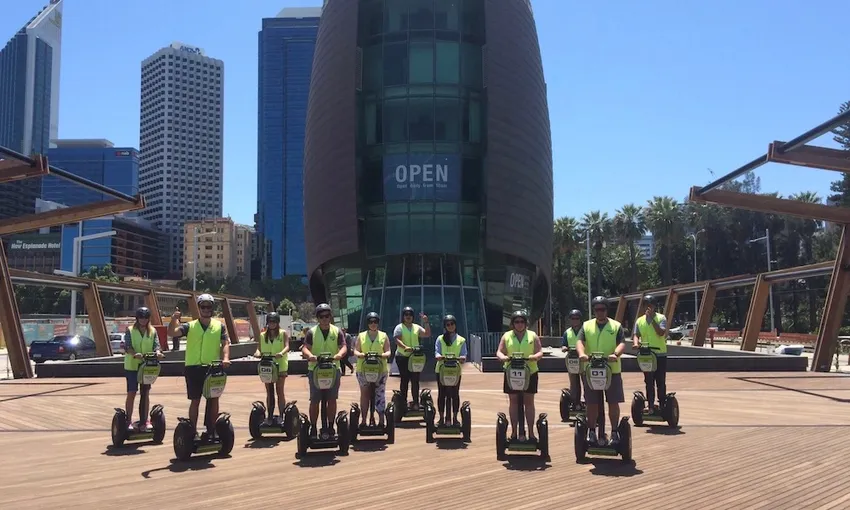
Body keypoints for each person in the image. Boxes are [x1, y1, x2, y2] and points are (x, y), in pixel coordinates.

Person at [168, 294, 231, 440]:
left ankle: (212, 430)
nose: (206, 309)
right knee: (195, 400)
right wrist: (173, 320)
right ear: (199, 308)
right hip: (193, 367)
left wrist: (226, 358)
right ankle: (193, 432)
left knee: (214, 399)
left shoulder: (219, 326)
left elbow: (225, 343)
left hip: (213, 367)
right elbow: (172, 333)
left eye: (209, 306)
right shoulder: (190, 326)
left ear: (212, 308)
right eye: (203, 306)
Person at [577, 296, 626, 446]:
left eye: (602, 309)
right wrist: (582, 354)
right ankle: (592, 431)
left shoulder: (616, 326)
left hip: (612, 369)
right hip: (591, 369)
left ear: (606, 310)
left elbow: (622, 343)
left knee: (613, 401)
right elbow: (580, 341)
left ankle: (614, 432)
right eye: (597, 309)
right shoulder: (586, 326)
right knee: (591, 403)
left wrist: (615, 354)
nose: (600, 312)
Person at [496, 310, 543, 442]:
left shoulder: (532, 335)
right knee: (514, 402)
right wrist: (503, 357)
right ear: (512, 323)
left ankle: (531, 433)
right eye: (517, 321)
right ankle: (514, 432)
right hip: (512, 372)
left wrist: (534, 357)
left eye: (522, 321)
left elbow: (540, 352)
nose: (520, 324)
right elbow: (499, 351)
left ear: (526, 323)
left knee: (529, 402)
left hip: (530, 372)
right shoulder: (507, 336)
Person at [301, 303, 347, 437]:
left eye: (327, 316)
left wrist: (340, 354)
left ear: (330, 316)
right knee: (315, 399)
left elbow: (343, 346)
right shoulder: (311, 332)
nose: (325, 319)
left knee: (332, 399)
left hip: (333, 369)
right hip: (315, 369)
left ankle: (331, 426)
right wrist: (310, 356)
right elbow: (305, 348)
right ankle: (314, 428)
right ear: (317, 318)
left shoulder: (336, 331)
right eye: (321, 316)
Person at [123, 306, 164, 431]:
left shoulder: (152, 331)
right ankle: (128, 421)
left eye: (146, 317)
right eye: (141, 317)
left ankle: (144, 421)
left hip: (147, 366)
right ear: (137, 318)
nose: (143, 320)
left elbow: (156, 345)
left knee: (145, 393)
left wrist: (158, 352)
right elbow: (127, 346)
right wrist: (134, 353)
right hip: (132, 366)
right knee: (132, 392)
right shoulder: (130, 330)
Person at [352, 311, 391, 427]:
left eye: (375, 322)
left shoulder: (383, 336)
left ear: (378, 323)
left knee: (379, 394)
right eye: (370, 322)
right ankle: (364, 420)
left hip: (380, 369)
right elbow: (356, 350)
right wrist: (361, 354)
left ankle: (381, 420)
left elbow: (388, 351)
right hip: (363, 369)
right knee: (365, 394)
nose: (373, 324)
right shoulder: (362, 336)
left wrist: (382, 355)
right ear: (367, 323)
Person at [632, 294, 669, 412]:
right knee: (648, 380)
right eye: (645, 305)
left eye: (650, 305)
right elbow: (636, 335)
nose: (648, 307)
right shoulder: (640, 320)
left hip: (660, 354)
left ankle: (662, 403)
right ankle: (651, 405)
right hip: (646, 355)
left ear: (654, 306)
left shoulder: (661, 318)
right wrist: (636, 343)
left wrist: (652, 319)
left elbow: (661, 332)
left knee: (660, 380)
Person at [253, 312, 289, 424]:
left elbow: (287, 346)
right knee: (269, 392)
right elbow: (258, 348)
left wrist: (281, 353)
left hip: (280, 365)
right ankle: (269, 416)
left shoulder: (283, 333)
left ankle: (282, 416)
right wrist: (257, 353)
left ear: (277, 322)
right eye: (270, 322)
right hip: (267, 365)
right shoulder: (263, 335)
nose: (272, 324)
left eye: (274, 322)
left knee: (279, 391)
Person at [393, 306, 431, 411]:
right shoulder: (399, 327)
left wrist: (426, 322)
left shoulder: (416, 327)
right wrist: (405, 347)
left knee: (415, 380)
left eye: (410, 314)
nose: (408, 316)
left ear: (413, 316)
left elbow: (427, 334)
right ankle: (403, 403)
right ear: (403, 316)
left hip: (415, 357)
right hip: (402, 357)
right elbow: (397, 340)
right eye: (406, 314)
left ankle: (415, 403)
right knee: (404, 379)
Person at [434, 314, 467, 427]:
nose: (450, 326)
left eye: (452, 324)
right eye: (448, 324)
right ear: (445, 326)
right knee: (442, 394)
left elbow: (463, 355)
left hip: (455, 370)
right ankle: (442, 418)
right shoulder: (440, 339)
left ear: (455, 325)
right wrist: (439, 356)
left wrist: (462, 358)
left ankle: (455, 418)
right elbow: (437, 352)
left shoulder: (461, 340)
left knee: (454, 394)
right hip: (441, 370)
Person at [560, 309, 584, 408]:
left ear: (580, 319)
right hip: (572, 359)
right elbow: (563, 345)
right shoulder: (567, 332)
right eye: (573, 319)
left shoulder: (585, 330)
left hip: (583, 359)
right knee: (574, 383)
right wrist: (564, 348)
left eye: (577, 318)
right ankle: (575, 402)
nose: (575, 320)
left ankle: (588, 402)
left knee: (586, 381)